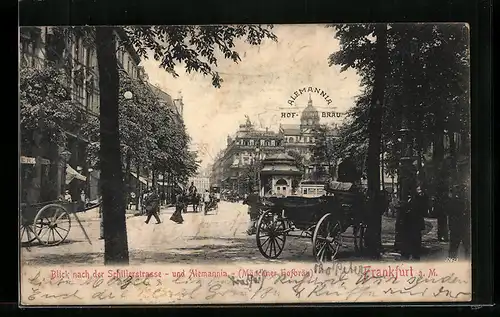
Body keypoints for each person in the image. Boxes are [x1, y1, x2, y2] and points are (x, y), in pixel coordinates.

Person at [400, 187, 428, 261]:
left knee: (414, 239)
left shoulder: (418, 200)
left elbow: (420, 210)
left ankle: (413, 255)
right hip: (411, 223)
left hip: (414, 223)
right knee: (410, 239)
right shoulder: (412, 200)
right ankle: (410, 255)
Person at [448, 185, 471, 260]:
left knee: (466, 248)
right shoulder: (454, 202)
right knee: (454, 248)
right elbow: (450, 214)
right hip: (457, 228)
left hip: (463, 228)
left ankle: (467, 263)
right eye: (461, 191)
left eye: (463, 191)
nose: (462, 193)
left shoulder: (466, 202)